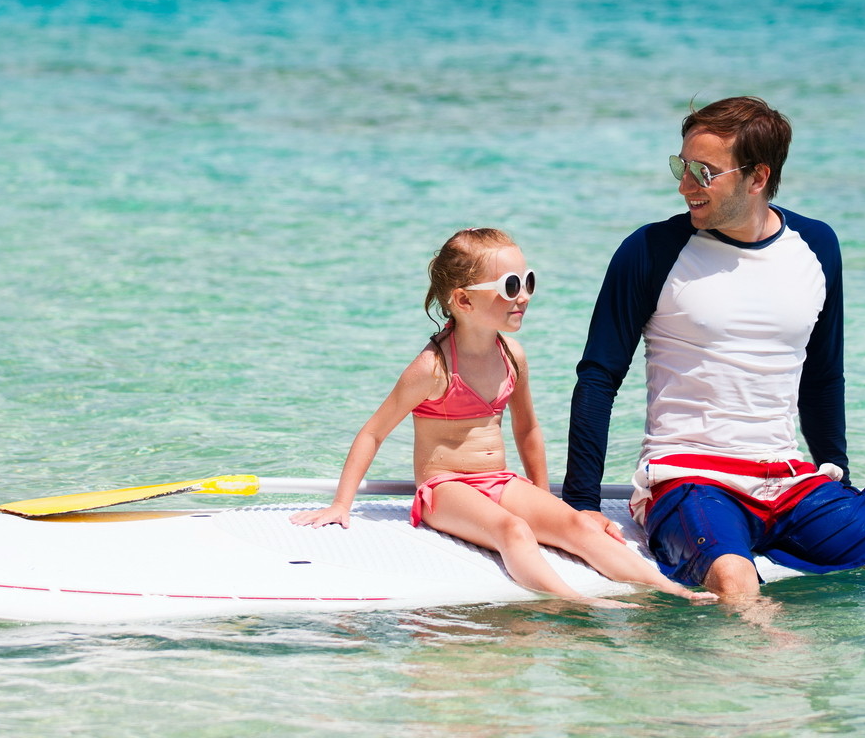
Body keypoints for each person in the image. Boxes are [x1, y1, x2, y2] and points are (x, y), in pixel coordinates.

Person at [564, 97, 865, 607]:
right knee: (736, 584)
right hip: (688, 478)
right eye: (681, 166)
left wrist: (844, 488)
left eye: (703, 171)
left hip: (788, 481)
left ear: (757, 177)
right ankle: (768, 682)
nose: (684, 186)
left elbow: (822, 376)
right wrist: (582, 505)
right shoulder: (651, 251)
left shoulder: (817, 246)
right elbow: (598, 376)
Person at [292, 227, 712, 606]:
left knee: (578, 525)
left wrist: (544, 495)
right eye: (510, 285)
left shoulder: (512, 355)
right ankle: (575, 601)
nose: (524, 295)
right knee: (514, 531)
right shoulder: (432, 368)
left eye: (528, 281)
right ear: (463, 300)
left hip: (500, 481)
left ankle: (670, 590)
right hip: (445, 489)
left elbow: (527, 428)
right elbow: (373, 433)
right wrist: (341, 504)